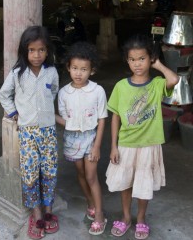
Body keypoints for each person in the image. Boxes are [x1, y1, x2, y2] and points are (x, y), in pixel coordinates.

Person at [106, 34, 179, 239]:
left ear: (151, 59)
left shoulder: (157, 84)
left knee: (144, 184)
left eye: (142, 59)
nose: (137, 64)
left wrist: (159, 65)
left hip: (149, 144)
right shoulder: (121, 86)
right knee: (126, 183)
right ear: (126, 61)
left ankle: (140, 219)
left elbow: (174, 79)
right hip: (126, 144)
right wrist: (113, 146)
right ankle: (126, 216)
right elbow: (115, 117)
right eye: (132, 59)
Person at [0, 26, 59, 240]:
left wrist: (47, 113)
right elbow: (4, 95)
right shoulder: (17, 74)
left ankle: (49, 211)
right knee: (31, 173)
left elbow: (53, 92)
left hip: (48, 132)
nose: (36, 55)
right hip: (28, 133)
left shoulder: (51, 72)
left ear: (47, 51)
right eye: (31, 50)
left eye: (41, 50)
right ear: (24, 51)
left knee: (49, 170)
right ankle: (37, 214)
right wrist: (14, 112)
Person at [56, 41, 108, 235]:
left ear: (91, 70)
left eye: (84, 69)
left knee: (91, 176)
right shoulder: (63, 93)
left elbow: (102, 119)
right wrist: (51, 117)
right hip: (71, 139)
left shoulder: (97, 91)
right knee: (80, 174)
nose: (78, 73)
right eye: (75, 68)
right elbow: (65, 118)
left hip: (90, 138)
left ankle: (99, 214)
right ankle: (90, 203)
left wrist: (96, 146)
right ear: (68, 67)